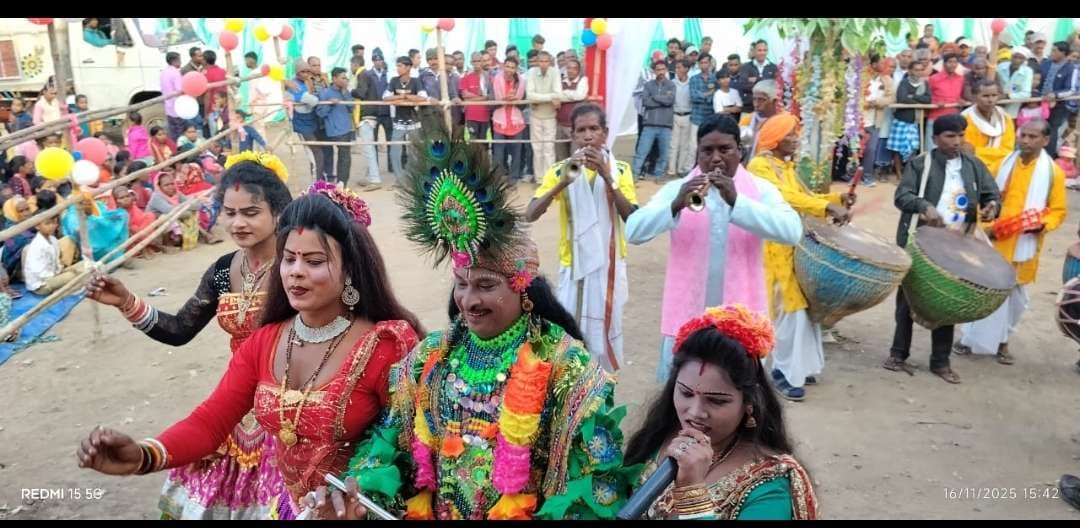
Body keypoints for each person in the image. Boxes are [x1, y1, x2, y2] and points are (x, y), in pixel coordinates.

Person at [335, 114, 636, 520]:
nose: (468, 300)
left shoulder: (568, 369)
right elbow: (389, 445)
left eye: (486, 285)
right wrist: (363, 492)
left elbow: (592, 487)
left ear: (521, 286)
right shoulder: (430, 359)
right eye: (461, 283)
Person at [77, 183, 422, 520]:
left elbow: (413, 446)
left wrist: (359, 495)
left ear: (350, 271)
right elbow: (211, 421)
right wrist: (142, 455)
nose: (296, 272)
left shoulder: (387, 345)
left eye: (314, 261)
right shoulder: (266, 340)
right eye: (288, 259)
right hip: (290, 509)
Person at [87, 157, 291, 517]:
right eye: (229, 213)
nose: (238, 223)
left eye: (251, 212)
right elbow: (181, 329)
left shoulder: (297, 266)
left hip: (291, 410)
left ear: (278, 212)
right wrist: (125, 302)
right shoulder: (225, 272)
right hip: (236, 404)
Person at [626, 114, 802, 382]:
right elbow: (634, 231)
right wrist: (675, 205)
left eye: (725, 150)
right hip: (687, 319)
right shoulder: (677, 189)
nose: (716, 158)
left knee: (739, 398)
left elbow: (792, 232)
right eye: (707, 151)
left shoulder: (759, 190)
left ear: (739, 153)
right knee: (681, 399)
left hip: (741, 321)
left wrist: (737, 202)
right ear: (697, 154)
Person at [624, 304, 819, 519]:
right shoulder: (658, 440)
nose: (695, 412)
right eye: (686, 394)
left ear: (748, 403)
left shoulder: (770, 483)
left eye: (716, 401)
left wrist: (692, 492)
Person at [885, 114, 1001, 384]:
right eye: (950, 136)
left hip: (957, 246)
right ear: (936, 138)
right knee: (908, 299)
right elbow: (902, 196)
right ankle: (898, 354)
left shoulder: (973, 165)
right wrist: (925, 207)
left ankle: (940, 362)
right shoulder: (920, 164)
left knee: (948, 301)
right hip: (920, 243)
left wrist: (991, 206)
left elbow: (991, 194)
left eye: (961, 135)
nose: (957, 141)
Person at [746, 113, 853, 401]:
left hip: (792, 245)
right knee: (786, 308)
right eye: (791, 135)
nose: (797, 139)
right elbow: (784, 198)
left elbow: (802, 194)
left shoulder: (786, 166)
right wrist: (826, 208)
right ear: (776, 139)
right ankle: (779, 372)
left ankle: (798, 367)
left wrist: (835, 201)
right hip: (771, 248)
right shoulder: (759, 166)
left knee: (800, 307)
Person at [526, 104, 638, 372]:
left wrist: (607, 177)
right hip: (574, 269)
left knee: (606, 331)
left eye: (594, 129)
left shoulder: (620, 170)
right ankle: (574, 388)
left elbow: (632, 218)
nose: (588, 136)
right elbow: (530, 214)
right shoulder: (559, 170)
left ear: (605, 133)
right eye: (581, 130)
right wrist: (562, 182)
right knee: (572, 332)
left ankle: (602, 387)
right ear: (572, 135)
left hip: (608, 269)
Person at [956, 119, 1067, 364]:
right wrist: (987, 218)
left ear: (1046, 141)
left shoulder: (1053, 174)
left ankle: (1003, 341)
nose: (1025, 141)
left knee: (1015, 299)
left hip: (1024, 246)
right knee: (982, 290)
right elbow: (988, 195)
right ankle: (968, 338)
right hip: (995, 239)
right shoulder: (1004, 163)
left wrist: (1042, 224)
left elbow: (1058, 210)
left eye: (1032, 137)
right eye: (1023, 135)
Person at [383, 56, 428, 183]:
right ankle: (400, 179)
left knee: (414, 151)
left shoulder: (416, 81)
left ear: (408, 67)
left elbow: (423, 97)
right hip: (399, 122)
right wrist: (406, 97)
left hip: (414, 121)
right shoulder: (394, 80)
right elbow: (385, 97)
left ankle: (413, 178)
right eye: (397, 66)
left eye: (400, 66)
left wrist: (401, 97)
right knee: (395, 152)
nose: (398, 68)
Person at [961, 79, 1016, 173]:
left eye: (994, 95)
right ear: (974, 97)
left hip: (1002, 168)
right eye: (985, 96)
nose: (990, 100)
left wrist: (978, 151)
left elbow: (1008, 151)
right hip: (975, 169)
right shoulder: (964, 119)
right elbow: (967, 151)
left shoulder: (1005, 118)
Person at [887, 60, 932, 173]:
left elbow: (928, 100)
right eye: (916, 70)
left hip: (914, 121)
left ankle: (908, 173)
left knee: (912, 148)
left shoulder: (924, 84)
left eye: (921, 70)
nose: (919, 72)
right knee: (897, 149)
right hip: (901, 120)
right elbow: (902, 98)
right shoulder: (904, 83)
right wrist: (918, 100)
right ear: (910, 71)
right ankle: (898, 173)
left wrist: (913, 96)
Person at [60, 190, 128, 263]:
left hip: (102, 237)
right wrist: (91, 222)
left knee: (122, 214)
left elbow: (105, 215)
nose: (88, 205)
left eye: (89, 202)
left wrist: (97, 221)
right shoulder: (72, 216)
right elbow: (76, 231)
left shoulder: (97, 205)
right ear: (79, 204)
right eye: (84, 203)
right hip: (91, 247)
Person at [285, 59, 325, 181]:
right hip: (301, 122)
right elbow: (311, 100)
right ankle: (317, 181)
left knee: (315, 152)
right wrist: (318, 98)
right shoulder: (294, 84)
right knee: (315, 152)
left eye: (308, 71)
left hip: (311, 119)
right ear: (297, 72)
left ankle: (319, 180)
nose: (306, 74)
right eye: (303, 71)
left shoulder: (306, 82)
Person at [525, 51, 560, 183]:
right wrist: (550, 98)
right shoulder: (532, 72)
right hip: (536, 115)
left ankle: (550, 180)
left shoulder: (555, 72)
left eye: (546, 61)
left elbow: (558, 93)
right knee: (537, 148)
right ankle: (540, 180)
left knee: (549, 149)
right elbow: (530, 95)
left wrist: (539, 98)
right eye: (541, 61)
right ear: (537, 62)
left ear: (550, 62)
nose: (544, 64)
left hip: (550, 115)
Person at [315, 68, 355, 186]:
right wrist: (330, 104)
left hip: (346, 129)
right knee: (329, 156)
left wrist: (345, 94)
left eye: (346, 78)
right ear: (334, 78)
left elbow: (351, 108)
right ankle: (327, 182)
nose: (345, 80)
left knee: (345, 157)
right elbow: (320, 113)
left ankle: (342, 183)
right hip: (333, 130)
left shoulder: (345, 92)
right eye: (342, 78)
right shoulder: (325, 93)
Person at [491, 56, 527, 182]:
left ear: (516, 69)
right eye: (507, 66)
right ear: (503, 66)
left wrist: (515, 99)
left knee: (516, 151)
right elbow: (496, 98)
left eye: (512, 67)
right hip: (499, 119)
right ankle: (497, 178)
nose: (509, 70)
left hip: (516, 120)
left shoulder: (521, 81)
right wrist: (505, 99)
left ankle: (514, 177)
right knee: (499, 151)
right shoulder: (496, 79)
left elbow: (522, 100)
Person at [359, 49, 393, 178]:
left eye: (380, 59)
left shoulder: (388, 75)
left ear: (383, 60)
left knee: (390, 141)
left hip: (387, 111)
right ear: (373, 61)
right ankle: (375, 169)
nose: (378, 62)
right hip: (373, 112)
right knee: (372, 142)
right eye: (376, 60)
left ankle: (391, 166)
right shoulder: (367, 74)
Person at [1041, 41, 1079, 156]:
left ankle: (1049, 157)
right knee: (1040, 128)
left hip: (1059, 106)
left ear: (1063, 53)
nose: (1051, 53)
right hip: (1041, 103)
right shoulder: (1046, 64)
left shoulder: (1071, 68)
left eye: (1054, 50)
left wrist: (1055, 95)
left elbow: (1071, 90)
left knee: (1052, 130)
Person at [864, 56, 897, 185]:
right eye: (881, 62)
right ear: (873, 64)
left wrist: (876, 102)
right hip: (857, 119)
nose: (884, 65)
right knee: (854, 149)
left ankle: (867, 175)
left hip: (875, 120)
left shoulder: (887, 80)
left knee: (871, 149)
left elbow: (891, 98)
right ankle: (852, 174)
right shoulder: (861, 77)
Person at [926, 53, 965, 151]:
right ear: (944, 63)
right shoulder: (934, 78)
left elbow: (963, 95)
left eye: (955, 62)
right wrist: (935, 101)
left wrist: (962, 100)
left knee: (953, 147)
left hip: (954, 117)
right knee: (932, 148)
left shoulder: (960, 79)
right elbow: (926, 97)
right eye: (950, 62)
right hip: (936, 117)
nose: (952, 64)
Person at [555, 57, 588, 162]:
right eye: (569, 68)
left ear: (578, 70)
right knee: (561, 155)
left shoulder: (583, 80)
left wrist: (564, 93)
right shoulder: (561, 81)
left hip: (576, 126)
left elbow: (580, 95)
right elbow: (556, 95)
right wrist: (570, 95)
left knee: (575, 155)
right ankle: (563, 177)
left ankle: (576, 178)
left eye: (574, 68)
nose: (571, 71)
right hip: (560, 124)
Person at [461, 51, 494, 147]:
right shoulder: (466, 77)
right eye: (474, 61)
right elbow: (464, 96)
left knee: (484, 146)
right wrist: (482, 97)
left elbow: (490, 96)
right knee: (472, 145)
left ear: (482, 62)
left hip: (485, 116)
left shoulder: (488, 77)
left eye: (479, 61)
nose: (477, 63)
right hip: (471, 116)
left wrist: (473, 97)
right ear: (471, 62)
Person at [688, 53, 718, 157]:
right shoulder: (693, 79)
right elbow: (693, 97)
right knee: (693, 145)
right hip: (696, 117)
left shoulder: (715, 79)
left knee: (708, 145)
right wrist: (708, 94)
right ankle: (691, 169)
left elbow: (715, 98)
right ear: (698, 64)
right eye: (701, 63)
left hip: (710, 118)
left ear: (710, 63)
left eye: (706, 62)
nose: (703, 65)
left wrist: (701, 95)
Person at [746, 80, 784, 159]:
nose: (756, 104)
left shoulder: (785, 121)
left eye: (761, 100)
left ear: (774, 101)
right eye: (754, 99)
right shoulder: (747, 120)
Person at [737, 40, 778, 115]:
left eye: (764, 50)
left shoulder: (773, 67)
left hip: (767, 110)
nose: (762, 53)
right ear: (754, 51)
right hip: (748, 108)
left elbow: (775, 87)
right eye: (759, 50)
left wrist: (756, 80)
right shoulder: (746, 67)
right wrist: (763, 82)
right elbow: (743, 85)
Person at [669, 59, 694, 178]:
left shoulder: (692, 83)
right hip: (675, 114)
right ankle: (671, 170)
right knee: (673, 145)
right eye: (676, 67)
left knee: (685, 145)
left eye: (680, 67)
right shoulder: (672, 83)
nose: (677, 70)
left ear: (686, 69)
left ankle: (681, 169)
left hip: (688, 115)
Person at [1, 195, 36, 279]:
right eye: (21, 211)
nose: (26, 213)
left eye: (27, 209)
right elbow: (27, 241)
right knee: (29, 247)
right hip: (15, 268)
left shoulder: (31, 222)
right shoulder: (11, 229)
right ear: (12, 212)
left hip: (32, 263)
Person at [999, 47, 1035, 117]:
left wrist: (1007, 96)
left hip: (1012, 106)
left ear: (1025, 60)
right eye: (1015, 57)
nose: (1017, 60)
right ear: (1011, 57)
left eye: (1021, 58)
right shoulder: (1001, 66)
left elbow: (1026, 94)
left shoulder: (1027, 71)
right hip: (997, 102)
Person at [161, 52, 185, 140]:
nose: (181, 62)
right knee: (180, 133)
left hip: (168, 107)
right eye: (179, 60)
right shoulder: (175, 73)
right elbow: (180, 90)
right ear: (174, 61)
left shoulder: (164, 72)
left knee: (173, 133)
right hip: (177, 108)